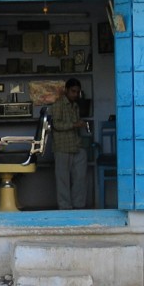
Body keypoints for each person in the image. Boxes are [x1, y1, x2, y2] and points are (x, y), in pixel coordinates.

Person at [51, 78, 89, 210]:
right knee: (63, 181)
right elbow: (56, 125)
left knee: (80, 178)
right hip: (62, 147)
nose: (75, 94)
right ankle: (65, 207)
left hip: (76, 145)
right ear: (66, 90)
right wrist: (75, 124)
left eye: (77, 92)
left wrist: (78, 124)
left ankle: (79, 205)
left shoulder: (75, 106)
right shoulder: (58, 105)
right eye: (73, 91)